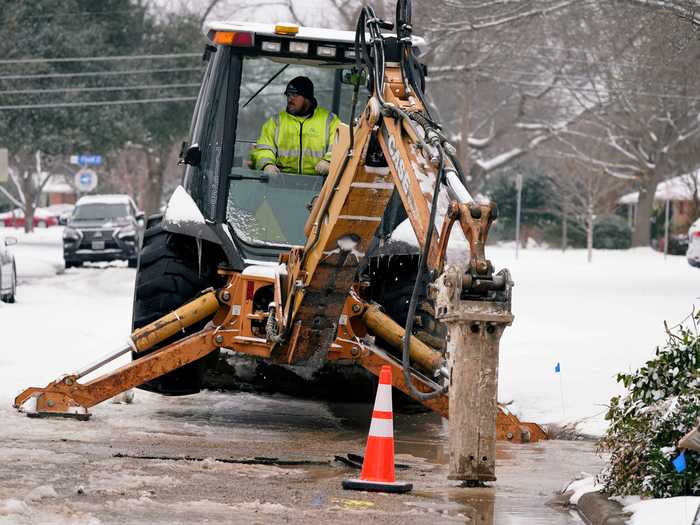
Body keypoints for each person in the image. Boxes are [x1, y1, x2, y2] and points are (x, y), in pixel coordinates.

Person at [250, 76, 341, 176]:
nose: (290, 99)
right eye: (288, 95)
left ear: (307, 97)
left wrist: (329, 161)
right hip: (281, 184)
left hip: (320, 186)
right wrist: (267, 165)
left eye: (294, 95)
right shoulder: (276, 122)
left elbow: (340, 146)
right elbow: (264, 147)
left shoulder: (330, 121)